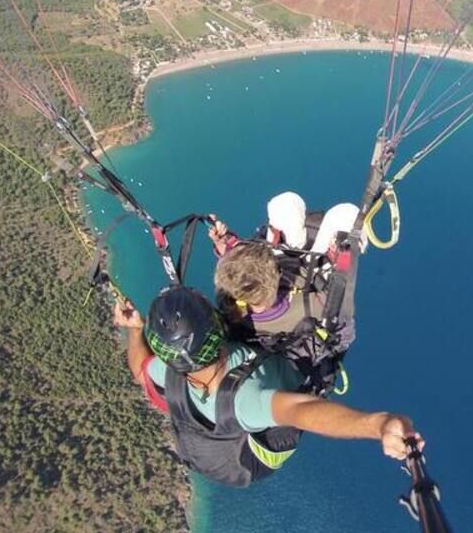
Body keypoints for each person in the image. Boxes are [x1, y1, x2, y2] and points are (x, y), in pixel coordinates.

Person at [113, 286, 421, 487]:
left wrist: (135, 330)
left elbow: (140, 368)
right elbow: (304, 411)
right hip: (251, 457)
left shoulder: (165, 371)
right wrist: (377, 425)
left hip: (211, 446)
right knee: (307, 360)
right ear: (217, 328)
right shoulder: (246, 399)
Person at [207, 191, 363, 391]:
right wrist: (342, 262)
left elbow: (235, 274)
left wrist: (224, 244)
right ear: (277, 275)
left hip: (289, 279)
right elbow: (343, 318)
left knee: (285, 204)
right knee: (347, 214)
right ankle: (298, 250)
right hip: (307, 279)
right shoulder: (309, 308)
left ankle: (292, 245)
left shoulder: (227, 299)